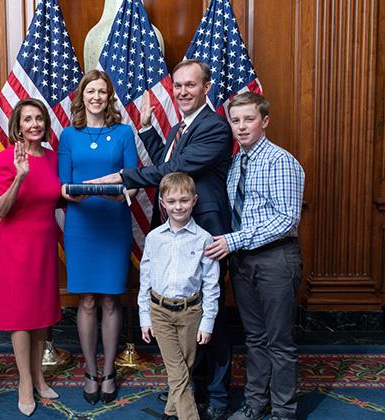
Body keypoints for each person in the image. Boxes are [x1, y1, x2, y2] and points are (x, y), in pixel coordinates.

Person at [87, 59, 233, 419]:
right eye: (178, 86)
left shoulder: (214, 125)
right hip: (174, 231)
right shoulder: (182, 128)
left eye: (190, 85)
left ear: (206, 87)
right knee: (183, 313)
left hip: (204, 229)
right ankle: (188, 389)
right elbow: (171, 159)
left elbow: (175, 170)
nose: (183, 91)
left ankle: (216, 397)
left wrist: (122, 176)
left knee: (209, 316)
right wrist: (150, 130)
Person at [204, 92, 305, 420]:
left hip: (275, 259)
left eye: (249, 119)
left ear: (265, 121)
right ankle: (254, 403)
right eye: (236, 120)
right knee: (255, 337)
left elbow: (287, 218)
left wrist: (234, 240)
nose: (242, 126)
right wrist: (234, 246)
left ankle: (283, 411)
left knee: (279, 341)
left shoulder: (281, 161)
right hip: (244, 260)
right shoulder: (236, 164)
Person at [58, 70, 138, 405]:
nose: (96, 97)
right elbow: (63, 183)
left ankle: (109, 371)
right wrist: (70, 193)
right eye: (90, 91)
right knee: (87, 300)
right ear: (82, 96)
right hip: (81, 225)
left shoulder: (123, 133)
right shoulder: (68, 135)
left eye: (102, 92)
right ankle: (90, 370)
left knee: (110, 299)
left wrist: (119, 194)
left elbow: (132, 180)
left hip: (114, 223)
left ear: (109, 96)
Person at [0, 98, 62, 417]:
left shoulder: (52, 158)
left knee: (39, 313)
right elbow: (1, 209)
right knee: (21, 316)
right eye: (27, 119)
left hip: (44, 242)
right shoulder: (7, 159)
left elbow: (60, 196)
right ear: (17, 125)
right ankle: (24, 381)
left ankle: (38, 375)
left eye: (39, 118)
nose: (34, 124)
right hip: (15, 246)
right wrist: (20, 176)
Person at [139, 172, 220, 420]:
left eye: (184, 200)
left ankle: (170, 412)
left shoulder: (204, 238)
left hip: (191, 313)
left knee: (183, 367)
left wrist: (207, 322)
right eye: (172, 201)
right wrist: (145, 317)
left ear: (194, 200)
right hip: (160, 311)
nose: (178, 206)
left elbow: (211, 284)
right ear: (162, 203)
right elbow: (146, 278)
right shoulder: (154, 238)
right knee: (177, 371)